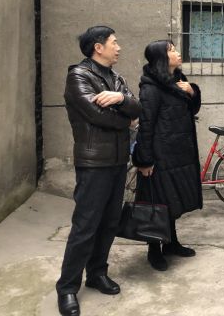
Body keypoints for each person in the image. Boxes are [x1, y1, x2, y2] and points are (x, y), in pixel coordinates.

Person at [57, 26, 141, 316]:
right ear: (98, 47)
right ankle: (67, 288)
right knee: (85, 225)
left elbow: (137, 107)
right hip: (93, 163)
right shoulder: (78, 76)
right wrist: (126, 121)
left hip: (118, 162)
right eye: (114, 42)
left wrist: (120, 100)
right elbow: (96, 115)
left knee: (109, 222)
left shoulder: (117, 78)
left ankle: (97, 273)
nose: (119, 47)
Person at [132, 40, 203, 271]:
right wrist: (144, 160)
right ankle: (154, 249)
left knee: (171, 199)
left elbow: (192, 109)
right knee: (157, 201)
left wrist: (192, 91)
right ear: (161, 58)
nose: (178, 53)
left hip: (178, 153)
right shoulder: (151, 88)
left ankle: (171, 243)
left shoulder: (178, 81)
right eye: (171, 50)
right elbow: (146, 126)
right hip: (159, 155)